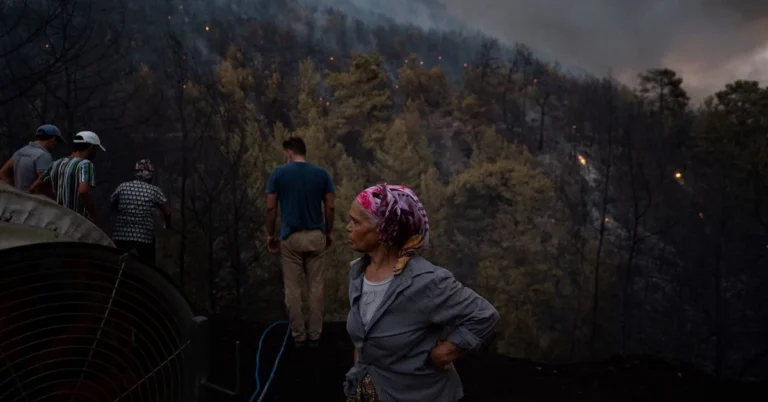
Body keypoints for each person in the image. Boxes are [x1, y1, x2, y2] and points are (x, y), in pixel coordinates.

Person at [343, 184, 499, 402]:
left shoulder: (427, 282)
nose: (348, 227)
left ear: (384, 229)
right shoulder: (358, 274)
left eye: (356, 222)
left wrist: (443, 354)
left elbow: (484, 315)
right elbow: (363, 340)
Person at [265, 137, 335, 348]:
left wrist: (270, 234)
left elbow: (271, 208)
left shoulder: (279, 173)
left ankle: (298, 336)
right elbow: (330, 206)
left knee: (293, 290)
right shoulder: (321, 174)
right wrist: (328, 231)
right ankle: (315, 336)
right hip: (316, 236)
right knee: (316, 288)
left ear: (288, 151)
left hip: (291, 237)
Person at [30, 131, 105, 222]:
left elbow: (33, 188)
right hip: (77, 220)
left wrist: (55, 202)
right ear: (90, 147)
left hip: (58, 218)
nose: (96, 153)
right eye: (96, 149)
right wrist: (93, 216)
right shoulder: (85, 164)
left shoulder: (56, 164)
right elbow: (83, 191)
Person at [110, 159, 171, 266]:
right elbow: (167, 212)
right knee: (148, 267)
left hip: (121, 235)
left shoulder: (123, 187)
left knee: (116, 264)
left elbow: (113, 204)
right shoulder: (154, 191)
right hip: (144, 236)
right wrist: (167, 224)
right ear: (150, 175)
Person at [0, 124, 65, 193]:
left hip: (18, 200)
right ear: (53, 139)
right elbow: (45, 183)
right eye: (57, 141)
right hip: (35, 201)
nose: (56, 144)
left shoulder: (20, 151)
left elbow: (2, 173)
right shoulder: (43, 155)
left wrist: (14, 189)